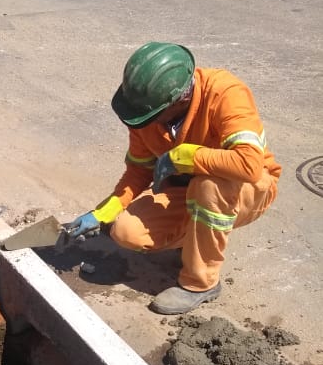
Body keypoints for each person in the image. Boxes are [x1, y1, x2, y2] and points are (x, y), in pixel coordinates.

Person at [64, 41, 281, 315]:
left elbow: (249, 165)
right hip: (189, 189)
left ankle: (200, 283)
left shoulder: (225, 93)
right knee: (126, 232)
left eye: (151, 116)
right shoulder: (146, 115)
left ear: (179, 99)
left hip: (247, 188)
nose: (144, 123)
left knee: (209, 187)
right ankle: (196, 241)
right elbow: (138, 171)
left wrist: (186, 156)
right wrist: (103, 212)